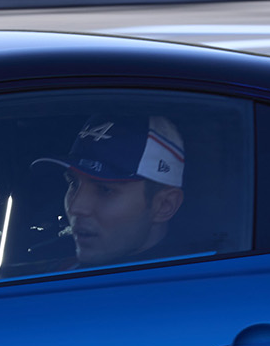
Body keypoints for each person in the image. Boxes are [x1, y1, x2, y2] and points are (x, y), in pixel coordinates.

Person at [10, 114, 187, 274]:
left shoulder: (182, 286)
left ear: (164, 205)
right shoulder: (46, 264)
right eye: (73, 183)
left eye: (105, 189)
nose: (75, 207)